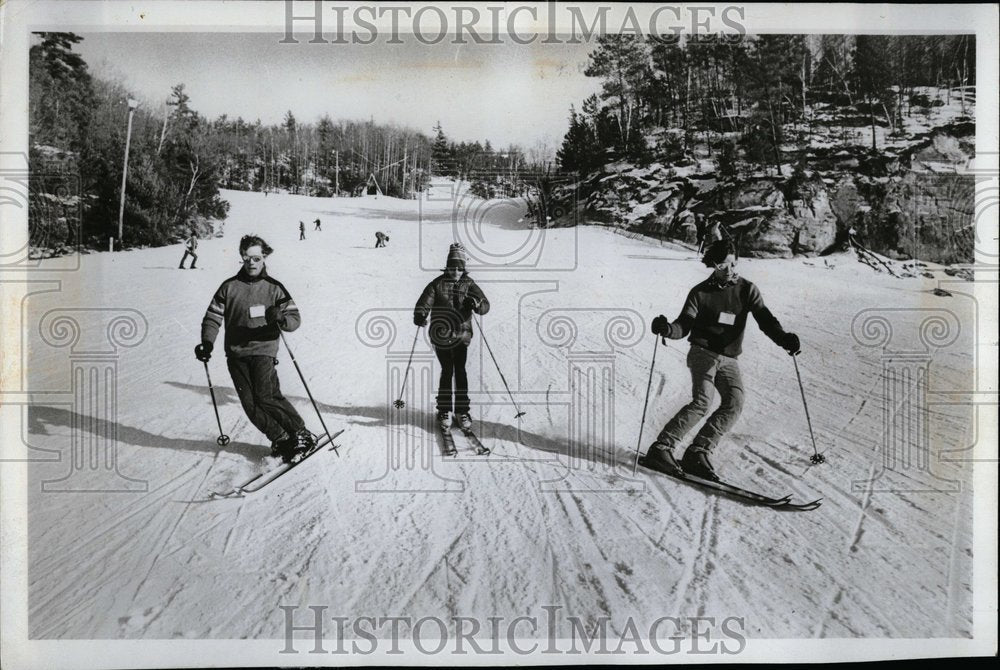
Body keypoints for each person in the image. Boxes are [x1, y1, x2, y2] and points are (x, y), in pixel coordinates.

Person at [645, 240, 800, 482]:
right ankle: (662, 448)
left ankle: (698, 452)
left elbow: (765, 319)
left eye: (733, 263)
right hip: (702, 352)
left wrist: (784, 339)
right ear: (713, 265)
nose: (729, 270)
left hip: (729, 359)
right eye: (723, 265)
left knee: (734, 402)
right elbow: (683, 324)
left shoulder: (747, 289)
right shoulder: (700, 292)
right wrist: (667, 329)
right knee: (702, 401)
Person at [195, 234, 315, 463]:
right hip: (236, 353)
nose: (251, 262)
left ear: (264, 258)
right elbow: (212, 317)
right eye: (247, 257)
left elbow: (294, 318)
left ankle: (300, 433)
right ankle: (280, 438)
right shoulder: (229, 287)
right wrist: (207, 342)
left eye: (256, 258)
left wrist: (280, 318)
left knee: (266, 395)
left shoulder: (274, 288)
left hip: (264, 349)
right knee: (250, 404)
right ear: (242, 257)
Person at [413, 243, 490, 431]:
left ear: (463, 269)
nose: (455, 271)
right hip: (441, 335)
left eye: (459, 268)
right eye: (452, 267)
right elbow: (424, 302)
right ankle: (444, 409)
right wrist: (420, 315)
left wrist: (476, 303)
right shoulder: (436, 284)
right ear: (447, 267)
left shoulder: (469, 284)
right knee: (447, 370)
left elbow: (485, 305)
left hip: (462, 336)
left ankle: (462, 410)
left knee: (461, 370)